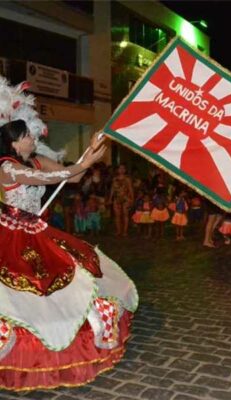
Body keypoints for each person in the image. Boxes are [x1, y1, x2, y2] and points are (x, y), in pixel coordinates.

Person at [0, 119, 138, 391]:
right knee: (23, 287)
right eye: (27, 135)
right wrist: (84, 164)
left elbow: (71, 176)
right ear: (14, 142)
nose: (33, 138)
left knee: (69, 273)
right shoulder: (6, 166)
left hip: (36, 229)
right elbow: (49, 179)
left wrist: (91, 149)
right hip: (12, 233)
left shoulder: (36, 160)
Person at [108, 164, 134, 237]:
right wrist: (110, 198)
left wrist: (132, 199)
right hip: (116, 198)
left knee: (125, 215)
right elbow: (112, 189)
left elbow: (130, 189)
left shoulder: (127, 179)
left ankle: (125, 231)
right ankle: (118, 231)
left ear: (125, 170)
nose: (122, 170)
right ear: (117, 170)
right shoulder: (115, 179)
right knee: (117, 215)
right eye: (120, 168)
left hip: (126, 198)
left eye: (123, 168)